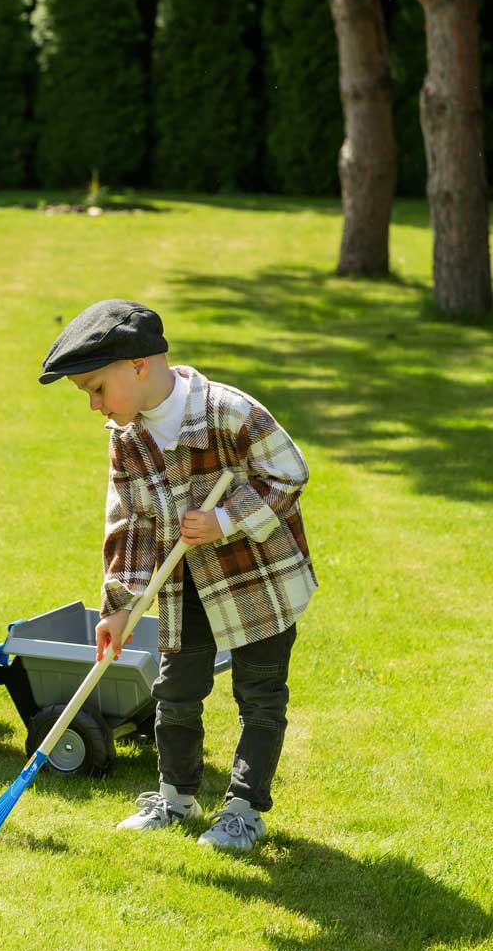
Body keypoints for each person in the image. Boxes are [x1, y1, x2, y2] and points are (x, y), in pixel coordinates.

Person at [39, 298, 317, 852]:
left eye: (97, 389)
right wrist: (118, 605)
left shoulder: (230, 413)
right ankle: (175, 796)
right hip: (183, 585)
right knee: (174, 693)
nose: (95, 405)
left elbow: (288, 473)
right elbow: (132, 523)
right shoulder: (128, 438)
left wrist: (224, 519)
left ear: (138, 366)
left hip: (256, 579)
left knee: (260, 696)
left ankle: (242, 810)